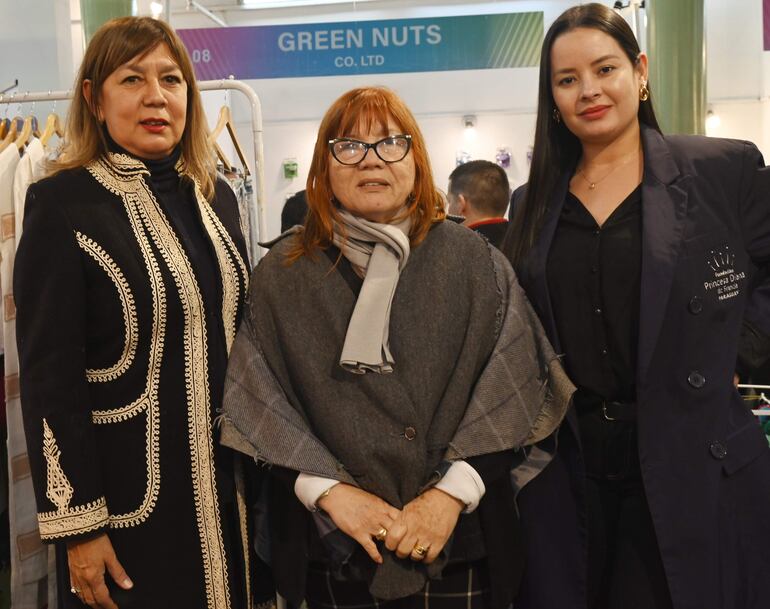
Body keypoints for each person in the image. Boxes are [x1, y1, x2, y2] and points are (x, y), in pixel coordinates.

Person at [218, 86, 573, 609]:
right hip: (329, 546)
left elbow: (515, 383)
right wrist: (331, 492)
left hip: (459, 544)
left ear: (416, 159)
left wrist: (449, 495)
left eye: (390, 143)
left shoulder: (473, 261)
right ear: (324, 165)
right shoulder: (283, 271)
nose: (370, 160)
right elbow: (257, 401)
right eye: (349, 146)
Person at [501, 4, 770, 609]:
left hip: (690, 458)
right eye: (567, 80)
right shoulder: (532, 201)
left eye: (605, 69)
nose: (588, 91)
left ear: (640, 71)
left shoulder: (722, 169)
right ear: (551, 97)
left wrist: (742, 345)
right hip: (570, 470)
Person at [14, 17, 272, 609]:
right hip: (130, 503)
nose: (156, 96)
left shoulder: (214, 195)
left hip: (232, 489)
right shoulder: (61, 203)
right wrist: (79, 526)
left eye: (172, 80)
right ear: (93, 99)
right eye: (132, 79)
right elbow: (50, 378)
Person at [447, 160, 510, 249]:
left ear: (461, 205)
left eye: (449, 201)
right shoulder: (522, 242)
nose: (448, 209)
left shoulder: (456, 250)